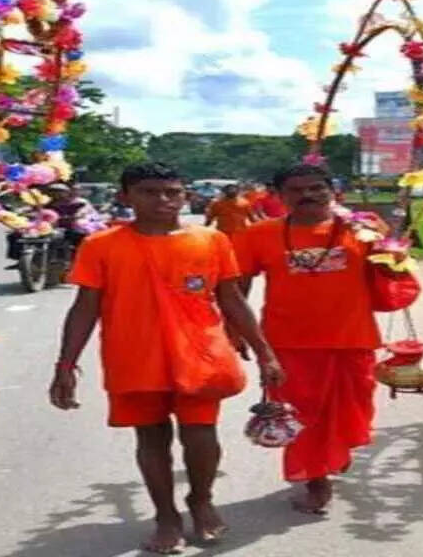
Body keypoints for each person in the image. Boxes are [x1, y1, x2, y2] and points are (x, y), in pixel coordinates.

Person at [50, 162, 284, 554]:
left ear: (184, 195)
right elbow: (85, 308)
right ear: (125, 197)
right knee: (151, 436)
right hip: (133, 355)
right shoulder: (101, 245)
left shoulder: (211, 240)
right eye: (149, 192)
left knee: (201, 434)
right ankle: (166, 515)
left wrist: (265, 353)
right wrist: (65, 365)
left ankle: (201, 499)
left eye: (172, 192)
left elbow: (232, 299)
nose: (163, 200)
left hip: (201, 355)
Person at [232, 163, 380, 514]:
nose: (307, 195)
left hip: (353, 338)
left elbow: (390, 273)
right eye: (296, 190)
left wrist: (396, 256)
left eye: (316, 188)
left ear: (333, 191)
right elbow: (237, 285)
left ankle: (334, 452)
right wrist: (235, 329)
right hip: (288, 344)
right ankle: (316, 479)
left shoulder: (363, 229)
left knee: (354, 411)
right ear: (280, 197)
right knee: (302, 416)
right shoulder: (259, 234)